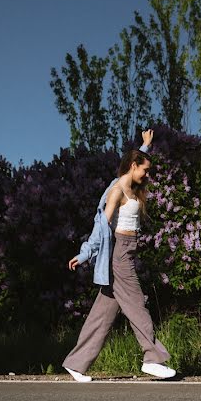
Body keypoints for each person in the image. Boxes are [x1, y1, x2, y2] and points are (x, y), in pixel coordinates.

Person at [62, 129, 175, 382]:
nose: (147, 175)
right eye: (144, 170)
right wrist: (85, 254)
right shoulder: (116, 191)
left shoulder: (130, 182)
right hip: (121, 256)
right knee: (137, 306)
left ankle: (76, 363)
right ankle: (152, 359)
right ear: (134, 166)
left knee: (102, 314)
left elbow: (135, 163)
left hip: (127, 252)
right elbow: (101, 226)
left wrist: (145, 146)